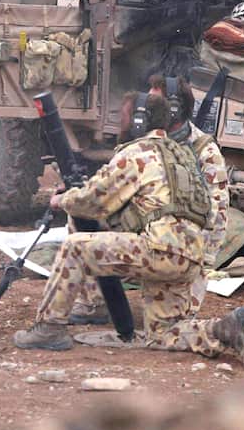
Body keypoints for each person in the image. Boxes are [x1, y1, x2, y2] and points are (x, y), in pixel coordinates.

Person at [12, 79, 244, 370]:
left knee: (75, 248)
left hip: (158, 250)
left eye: (125, 117)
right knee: (163, 334)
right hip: (186, 256)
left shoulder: (137, 153)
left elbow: (93, 200)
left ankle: (48, 329)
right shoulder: (180, 152)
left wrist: (63, 200)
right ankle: (225, 331)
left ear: (139, 121)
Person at [68, 76, 232, 323]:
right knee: (80, 217)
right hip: (140, 230)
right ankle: (95, 302)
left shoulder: (203, 151)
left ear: (174, 109)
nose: (144, 109)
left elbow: (217, 214)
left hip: (180, 246)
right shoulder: (140, 142)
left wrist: (202, 264)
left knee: (173, 326)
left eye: (153, 102)